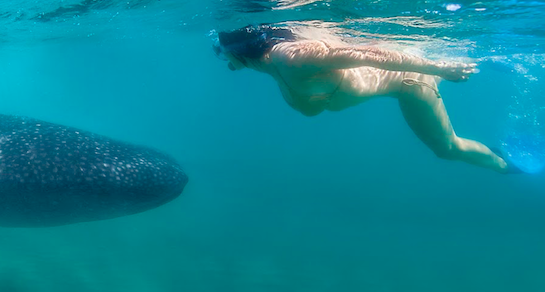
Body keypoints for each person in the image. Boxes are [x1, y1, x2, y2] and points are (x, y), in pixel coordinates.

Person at [213, 24, 521, 174]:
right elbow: (234, 58)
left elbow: (370, 55)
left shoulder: (291, 58)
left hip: (409, 81)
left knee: (448, 149)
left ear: (240, 50)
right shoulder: (261, 61)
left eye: (221, 51)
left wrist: (440, 67)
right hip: (394, 79)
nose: (221, 59)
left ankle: (505, 165)